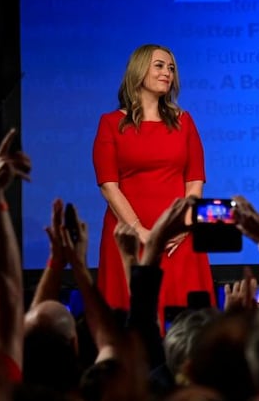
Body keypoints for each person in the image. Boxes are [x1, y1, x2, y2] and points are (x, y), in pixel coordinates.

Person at [92, 43, 215, 325]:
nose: (167, 73)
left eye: (171, 68)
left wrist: (183, 227)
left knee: (185, 322)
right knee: (135, 322)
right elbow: (108, 185)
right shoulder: (111, 124)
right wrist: (141, 232)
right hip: (129, 236)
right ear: (139, 71)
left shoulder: (185, 122)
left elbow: (195, 181)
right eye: (159, 65)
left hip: (178, 237)